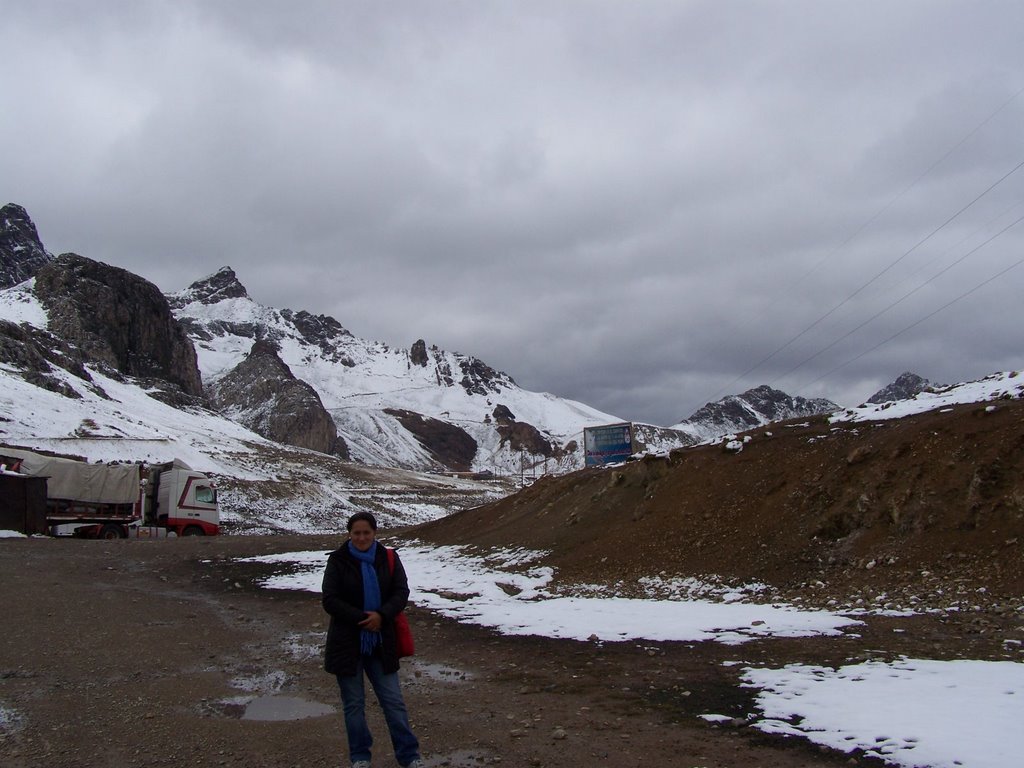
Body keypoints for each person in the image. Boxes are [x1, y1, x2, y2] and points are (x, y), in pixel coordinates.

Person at [322, 511, 423, 768]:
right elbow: (330, 599)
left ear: (375, 533)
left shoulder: (387, 558)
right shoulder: (338, 560)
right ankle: (360, 757)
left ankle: (409, 756)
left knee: (393, 702)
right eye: (357, 533)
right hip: (347, 642)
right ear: (349, 534)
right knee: (354, 705)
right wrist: (362, 618)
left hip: (381, 641)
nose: (362, 537)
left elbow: (401, 591)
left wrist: (382, 615)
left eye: (366, 532)